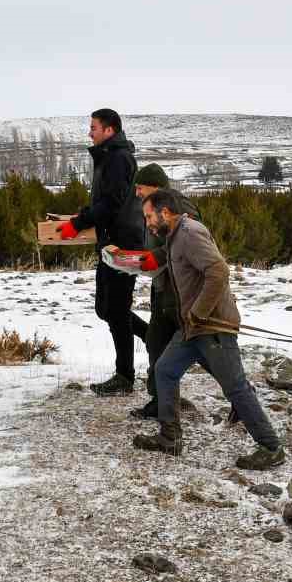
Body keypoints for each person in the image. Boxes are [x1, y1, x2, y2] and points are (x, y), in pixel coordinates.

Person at [134, 189, 285, 470]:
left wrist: (199, 312)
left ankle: (271, 447)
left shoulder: (190, 233)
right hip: (193, 328)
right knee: (164, 370)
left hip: (212, 326)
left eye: (149, 216)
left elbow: (219, 271)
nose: (148, 223)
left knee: (236, 388)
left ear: (165, 212)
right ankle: (170, 437)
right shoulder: (175, 236)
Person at [57, 109, 148, 394]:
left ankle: (125, 376)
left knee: (117, 310)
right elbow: (103, 201)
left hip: (123, 244)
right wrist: (82, 217)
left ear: (109, 130)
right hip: (110, 243)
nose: (90, 132)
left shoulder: (118, 159)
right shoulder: (108, 156)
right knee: (105, 309)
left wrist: (79, 224)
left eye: (93, 127)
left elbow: (112, 203)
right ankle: (152, 337)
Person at [128, 164, 204, 421]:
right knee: (156, 342)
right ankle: (160, 402)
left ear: (155, 186)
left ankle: (238, 395)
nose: (137, 192)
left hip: (180, 291)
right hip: (162, 287)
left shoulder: (180, 206)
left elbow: (187, 242)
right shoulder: (153, 207)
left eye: (140, 187)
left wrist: (155, 257)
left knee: (203, 350)